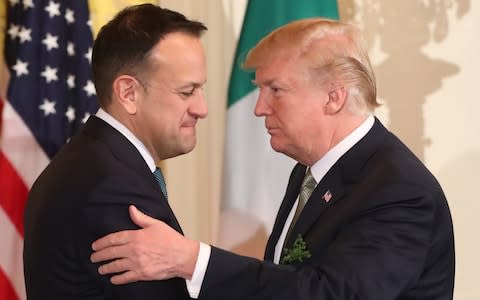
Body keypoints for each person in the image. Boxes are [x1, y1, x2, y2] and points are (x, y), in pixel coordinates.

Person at [90, 18, 455, 299]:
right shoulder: (309, 172)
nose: (260, 109)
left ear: (333, 97)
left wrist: (192, 260)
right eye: (260, 91)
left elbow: (334, 295)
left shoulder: (398, 189)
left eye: (275, 90)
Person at [23, 4, 207, 299]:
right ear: (128, 93)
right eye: (187, 92)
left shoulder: (92, 161)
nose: (202, 109)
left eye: (201, 90)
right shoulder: (114, 187)